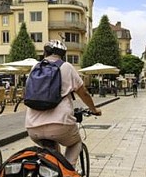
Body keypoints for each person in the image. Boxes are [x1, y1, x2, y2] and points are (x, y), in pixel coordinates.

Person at [25, 40, 102, 169]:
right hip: (61, 124)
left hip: (32, 126)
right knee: (75, 143)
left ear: (45, 52)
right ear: (63, 54)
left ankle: (51, 173)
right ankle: (68, 174)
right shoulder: (67, 67)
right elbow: (84, 93)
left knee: (51, 155)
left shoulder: (35, 68)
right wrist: (94, 109)